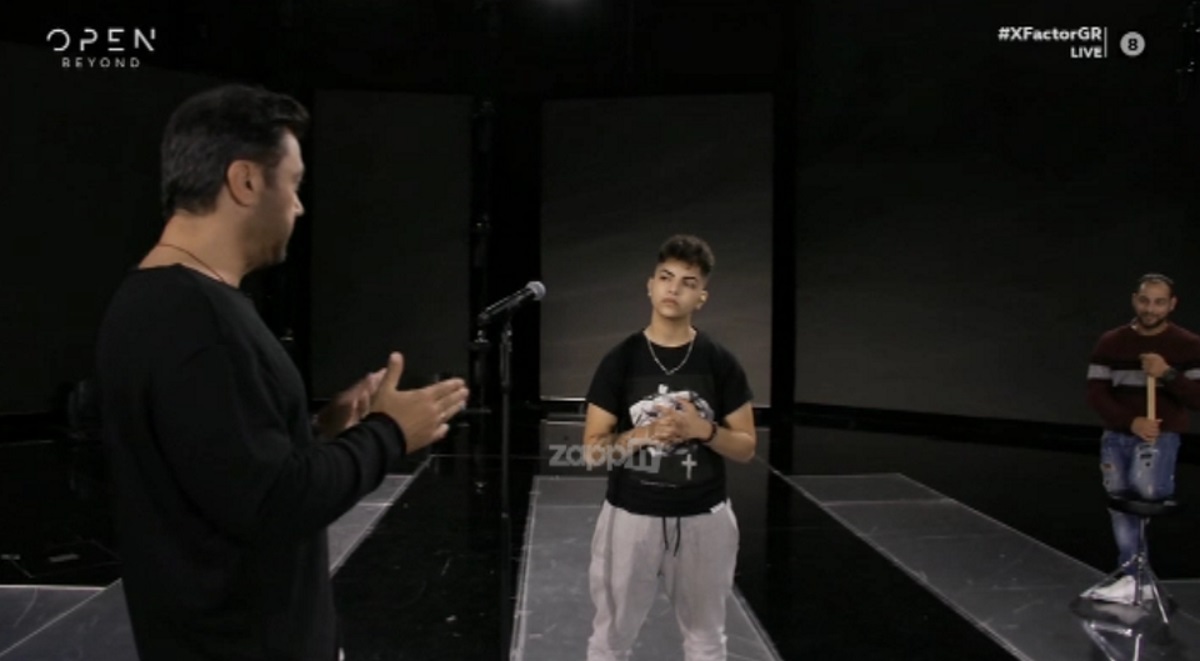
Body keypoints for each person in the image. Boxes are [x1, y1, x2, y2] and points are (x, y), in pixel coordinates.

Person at [94, 83, 469, 661]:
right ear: (245, 181)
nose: (298, 206)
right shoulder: (198, 322)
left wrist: (321, 431)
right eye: (293, 184)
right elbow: (275, 502)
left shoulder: (156, 303)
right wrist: (390, 433)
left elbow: (225, 471)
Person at [581, 234, 756, 661]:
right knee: (610, 641)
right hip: (630, 518)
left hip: (704, 519)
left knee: (706, 641)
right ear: (650, 285)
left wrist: (703, 430)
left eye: (687, 282)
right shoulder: (620, 360)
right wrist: (644, 434)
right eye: (665, 277)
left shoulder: (720, 362)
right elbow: (592, 451)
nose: (673, 288)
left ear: (702, 297)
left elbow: (746, 446)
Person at [1081, 273, 1200, 604]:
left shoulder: (1189, 344)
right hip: (1117, 436)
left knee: (1146, 492)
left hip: (1159, 436)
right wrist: (1130, 421)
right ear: (1135, 300)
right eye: (1145, 300)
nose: (1151, 308)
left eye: (1159, 302)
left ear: (1171, 305)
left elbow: (1197, 398)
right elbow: (1096, 393)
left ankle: (1136, 576)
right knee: (1120, 502)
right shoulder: (1111, 342)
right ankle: (1133, 577)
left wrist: (1167, 373)